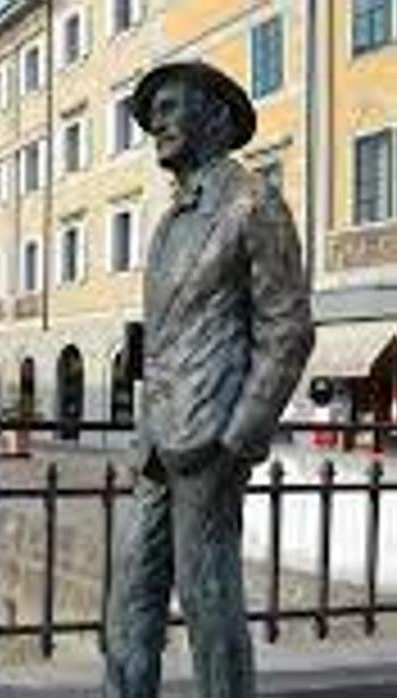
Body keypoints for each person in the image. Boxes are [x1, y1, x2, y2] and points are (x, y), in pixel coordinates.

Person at [102, 62, 314, 698]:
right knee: (129, 596)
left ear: (215, 116)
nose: (156, 123)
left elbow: (287, 330)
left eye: (170, 107)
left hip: (212, 439)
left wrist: (239, 436)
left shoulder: (254, 204)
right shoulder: (170, 222)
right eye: (151, 115)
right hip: (157, 446)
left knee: (209, 603)